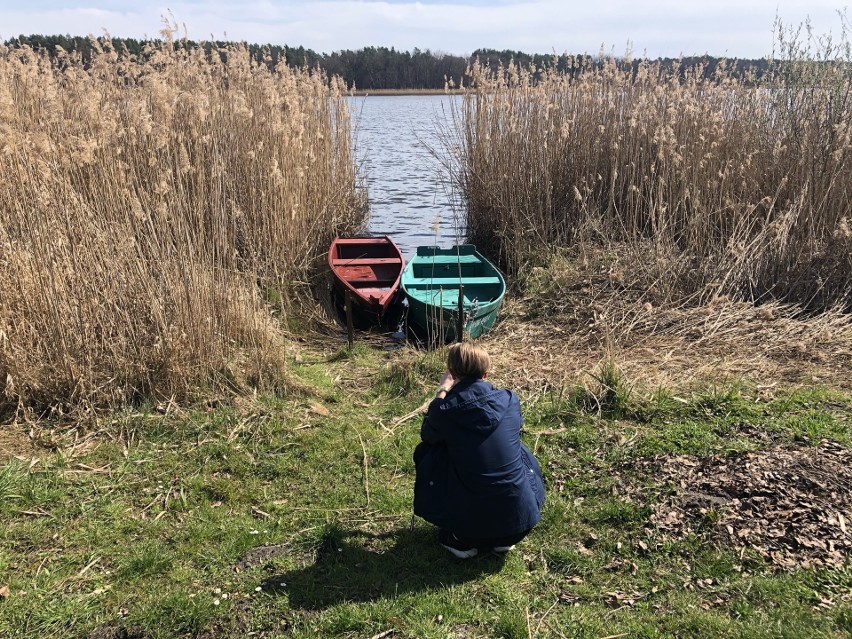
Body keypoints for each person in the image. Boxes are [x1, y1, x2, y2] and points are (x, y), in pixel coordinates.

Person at [413, 341, 545, 558]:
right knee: (517, 449)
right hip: (522, 522)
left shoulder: (445, 410)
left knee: (428, 452)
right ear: (486, 373)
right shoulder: (510, 400)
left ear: (452, 373)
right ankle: (502, 537)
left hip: (469, 532)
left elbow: (428, 436)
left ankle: (461, 541)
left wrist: (442, 390)